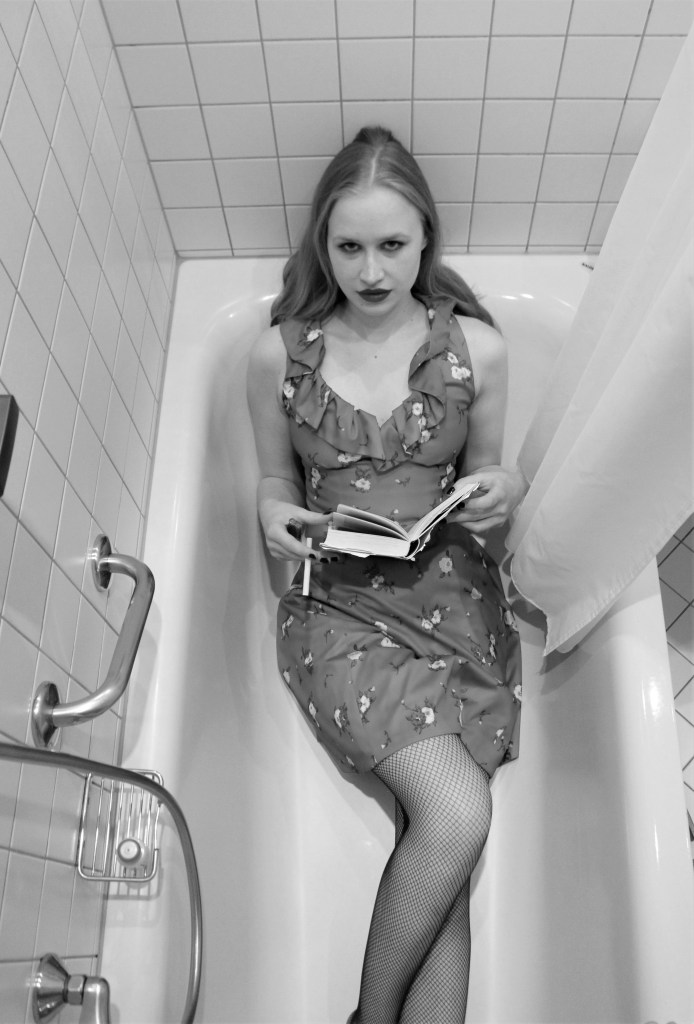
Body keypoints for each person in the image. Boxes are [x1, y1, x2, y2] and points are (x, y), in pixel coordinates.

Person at [247, 126, 526, 1024]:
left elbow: (490, 470)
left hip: (450, 598)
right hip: (338, 609)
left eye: (393, 245)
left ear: (426, 240)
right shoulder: (281, 355)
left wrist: (502, 489)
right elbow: (274, 480)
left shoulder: (475, 350)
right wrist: (271, 513)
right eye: (349, 247)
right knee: (457, 815)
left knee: (439, 826)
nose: (371, 271)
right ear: (322, 245)